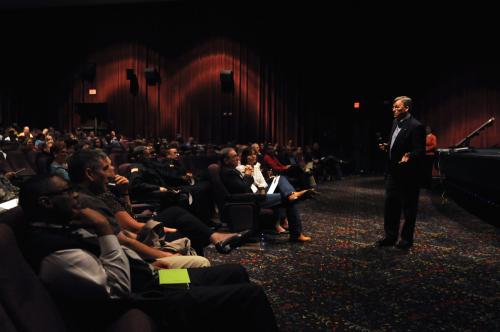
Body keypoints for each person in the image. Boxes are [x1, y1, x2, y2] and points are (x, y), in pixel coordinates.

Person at [18, 175, 278, 331]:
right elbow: (118, 290)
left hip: (154, 280)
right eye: (66, 192)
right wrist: (102, 228)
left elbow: (120, 252)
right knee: (249, 294)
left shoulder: (65, 224)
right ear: (46, 202)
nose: (75, 195)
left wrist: (149, 265)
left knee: (234, 271)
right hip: (146, 298)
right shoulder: (56, 252)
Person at [221, 147, 312, 242]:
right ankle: (296, 233)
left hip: (255, 195)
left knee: (281, 180)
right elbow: (243, 189)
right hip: (253, 198)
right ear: (226, 160)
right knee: (289, 199)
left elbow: (245, 187)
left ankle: (291, 194)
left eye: (237, 156)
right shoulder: (228, 173)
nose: (238, 158)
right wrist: (248, 175)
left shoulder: (231, 171)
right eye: (234, 157)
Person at [377, 96, 425, 250]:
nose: (393, 109)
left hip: (408, 175)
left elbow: (419, 150)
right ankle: (390, 237)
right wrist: (388, 146)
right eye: (393, 107)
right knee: (390, 205)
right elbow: (397, 142)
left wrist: (409, 155)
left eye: (397, 107)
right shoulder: (394, 122)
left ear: (406, 108)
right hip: (393, 173)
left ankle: (406, 239)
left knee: (409, 208)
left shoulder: (416, 126)